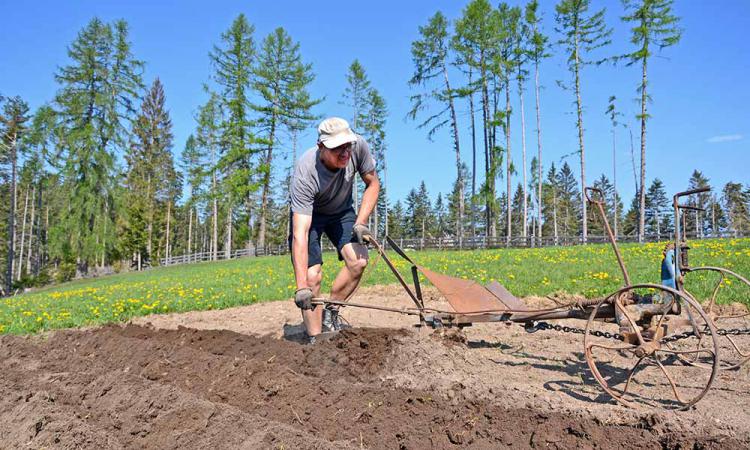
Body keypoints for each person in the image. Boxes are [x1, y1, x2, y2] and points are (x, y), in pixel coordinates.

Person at [289, 117, 380, 343]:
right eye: (337, 148)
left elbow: (373, 183)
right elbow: (300, 234)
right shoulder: (306, 171)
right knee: (312, 277)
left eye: (347, 145)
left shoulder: (358, 146)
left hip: (341, 211)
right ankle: (316, 341)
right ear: (321, 147)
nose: (345, 153)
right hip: (311, 215)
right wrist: (301, 287)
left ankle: (331, 312)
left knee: (358, 261)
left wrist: (360, 222)